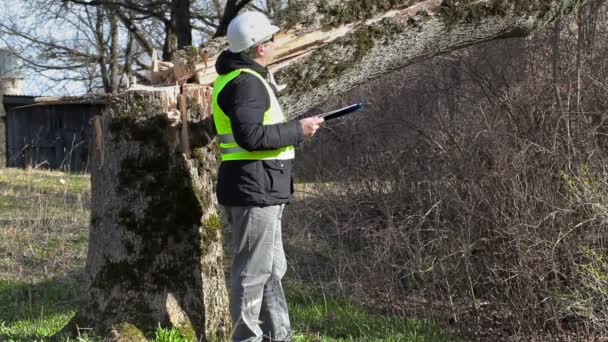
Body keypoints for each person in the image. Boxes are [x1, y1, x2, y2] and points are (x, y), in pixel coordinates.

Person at [212, 11, 324, 342]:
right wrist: (298, 130)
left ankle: (280, 337)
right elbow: (250, 136)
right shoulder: (247, 83)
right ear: (259, 47)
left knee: (272, 270)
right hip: (254, 188)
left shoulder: (245, 78)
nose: (275, 43)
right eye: (271, 39)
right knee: (252, 273)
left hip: (261, 186)